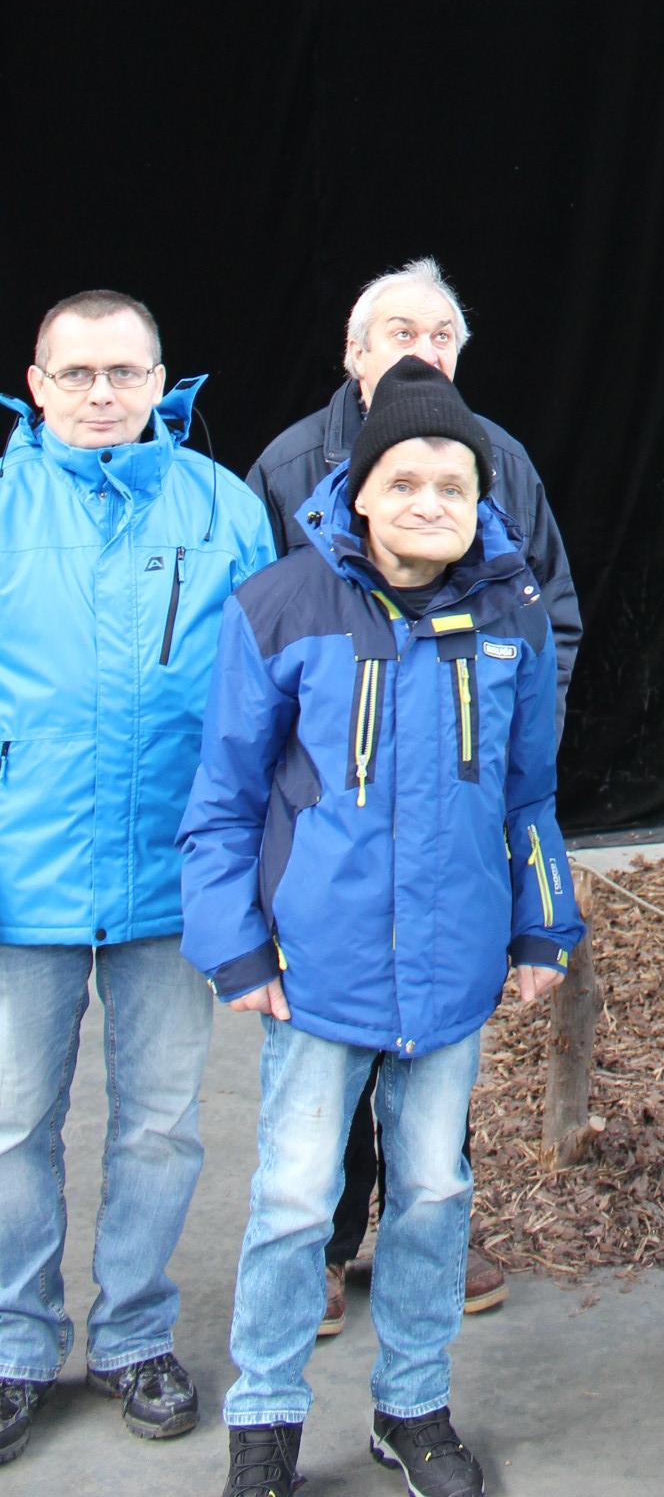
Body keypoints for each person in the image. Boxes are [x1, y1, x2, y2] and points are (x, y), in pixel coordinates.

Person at [182, 357, 579, 1497]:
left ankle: (413, 1406)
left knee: (435, 1195)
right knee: (297, 1200)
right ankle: (264, 1419)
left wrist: (542, 928)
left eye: (454, 488)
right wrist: (239, 949)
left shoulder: (512, 620)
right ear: (357, 492)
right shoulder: (280, 609)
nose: (429, 507)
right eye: (403, 484)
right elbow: (221, 803)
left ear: (480, 500)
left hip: (451, 975)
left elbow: (528, 794)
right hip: (318, 976)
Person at [248, 255, 581, 1331]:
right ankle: (333, 1243)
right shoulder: (291, 464)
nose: (419, 350)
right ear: (353, 354)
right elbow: (251, 636)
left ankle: (426, 1237)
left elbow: (549, 619)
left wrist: (498, 734)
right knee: (328, 1030)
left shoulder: (502, 463)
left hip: (457, 807)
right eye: (397, 331)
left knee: (440, 1027)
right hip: (332, 820)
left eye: (439, 336)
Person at [0, 290, 275, 1467]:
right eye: (80, 375)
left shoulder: (221, 509)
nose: (103, 395)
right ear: (37, 381)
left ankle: (132, 1335)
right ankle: (16, 1346)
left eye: (125, 373)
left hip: (176, 879)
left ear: (162, 382)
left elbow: (269, 698)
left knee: (160, 1127)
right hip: (25, 881)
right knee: (13, 1127)